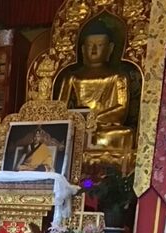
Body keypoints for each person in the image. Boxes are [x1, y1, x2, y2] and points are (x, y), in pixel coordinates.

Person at [57, 20, 133, 150]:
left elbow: (121, 109)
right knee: (59, 134)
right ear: (82, 49)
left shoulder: (117, 77)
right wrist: (78, 122)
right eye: (90, 45)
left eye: (99, 45)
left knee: (125, 133)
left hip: (103, 127)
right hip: (77, 127)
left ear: (110, 48)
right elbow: (60, 108)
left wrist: (94, 119)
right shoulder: (72, 77)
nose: (93, 50)